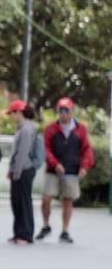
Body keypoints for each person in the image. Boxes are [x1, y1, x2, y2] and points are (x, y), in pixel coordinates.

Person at [38, 97, 94, 244]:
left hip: (71, 170)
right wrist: (55, 163)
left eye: (66, 111)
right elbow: (46, 149)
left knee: (67, 201)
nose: (63, 114)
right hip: (53, 170)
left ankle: (65, 231)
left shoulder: (80, 129)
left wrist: (84, 166)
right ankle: (46, 225)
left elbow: (86, 149)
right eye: (60, 111)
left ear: (71, 111)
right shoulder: (51, 128)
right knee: (46, 198)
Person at [7, 101, 39, 245]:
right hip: (19, 170)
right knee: (16, 202)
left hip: (24, 170)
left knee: (23, 202)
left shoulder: (26, 129)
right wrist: (11, 170)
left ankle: (25, 235)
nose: (11, 117)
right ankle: (19, 233)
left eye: (12, 113)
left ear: (18, 112)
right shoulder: (22, 128)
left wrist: (16, 172)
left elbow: (22, 153)